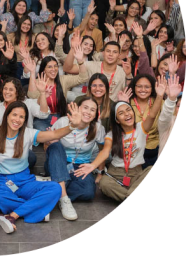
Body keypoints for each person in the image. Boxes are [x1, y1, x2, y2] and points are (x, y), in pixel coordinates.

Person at [0, 100, 88, 234]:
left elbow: (54, 135)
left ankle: (13, 215)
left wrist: (73, 126)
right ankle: (35, 208)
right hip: (3, 181)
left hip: (25, 180)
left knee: (55, 188)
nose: (17, 120)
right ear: (7, 115)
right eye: (14, 115)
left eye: (21, 117)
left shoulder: (28, 133)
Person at [74, 75, 180, 203]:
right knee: (105, 184)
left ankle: (128, 200)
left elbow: (152, 114)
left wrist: (159, 95)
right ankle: (139, 201)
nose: (127, 114)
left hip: (136, 173)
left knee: (152, 171)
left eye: (128, 110)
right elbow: (105, 151)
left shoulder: (141, 128)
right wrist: (93, 165)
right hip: (115, 173)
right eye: (121, 113)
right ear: (117, 120)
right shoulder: (111, 134)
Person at [44, 98, 105, 220]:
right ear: (77, 108)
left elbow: (103, 150)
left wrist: (99, 172)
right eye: (85, 107)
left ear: (95, 114)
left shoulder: (98, 128)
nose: (88, 112)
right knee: (56, 145)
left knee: (89, 192)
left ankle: (53, 187)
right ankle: (64, 200)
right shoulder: (63, 122)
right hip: (58, 163)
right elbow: (46, 148)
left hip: (81, 166)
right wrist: (52, 142)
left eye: (92, 110)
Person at [65, 41, 130, 101]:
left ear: (119, 55)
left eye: (115, 52)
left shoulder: (123, 71)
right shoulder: (91, 65)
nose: (111, 54)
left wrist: (128, 75)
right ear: (103, 53)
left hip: (112, 108)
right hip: (91, 105)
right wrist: (72, 48)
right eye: (108, 51)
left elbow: (129, 92)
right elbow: (68, 69)